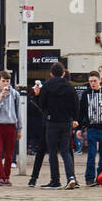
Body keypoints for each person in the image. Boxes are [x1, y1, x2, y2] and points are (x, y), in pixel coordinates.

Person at [39, 61, 80, 190]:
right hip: (66, 122)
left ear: (51, 74)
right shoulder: (70, 87)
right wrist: (74, 118)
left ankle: (55, 180)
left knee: (52, 152)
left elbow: (42, 103)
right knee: (65, 150)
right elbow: (76, 105)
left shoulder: (47, 85)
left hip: (52, 122)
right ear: (63, 73)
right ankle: (71, 177)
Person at [76, 70, 102, 187]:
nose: (92, 83)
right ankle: (89, 178)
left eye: (95, 81)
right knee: (91, 154)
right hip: (91, 128)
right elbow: (81, 112)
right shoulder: (86, 94)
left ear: (100, 80)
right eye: (90, 81)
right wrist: (79, 129)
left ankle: (100, 176)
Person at [0, 70, 20, 187]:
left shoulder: (15, 94)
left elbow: (18, 112)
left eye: (7, 81)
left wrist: (19, 129)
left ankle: (7, 177)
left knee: (9, 154)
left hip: (11, 126)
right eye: (3, 81)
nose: (6, 84)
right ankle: (1, 177)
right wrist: (1, 98)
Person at [27, 80, 49, 186]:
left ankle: (64, 177)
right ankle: (33, 178)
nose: (37, 89)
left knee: (54, 152)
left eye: (39, 88)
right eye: (35, 87)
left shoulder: (45, 97)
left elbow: (43, 107)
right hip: (34, 126)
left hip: (46, 126)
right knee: (39, 152)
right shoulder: (30, 98)